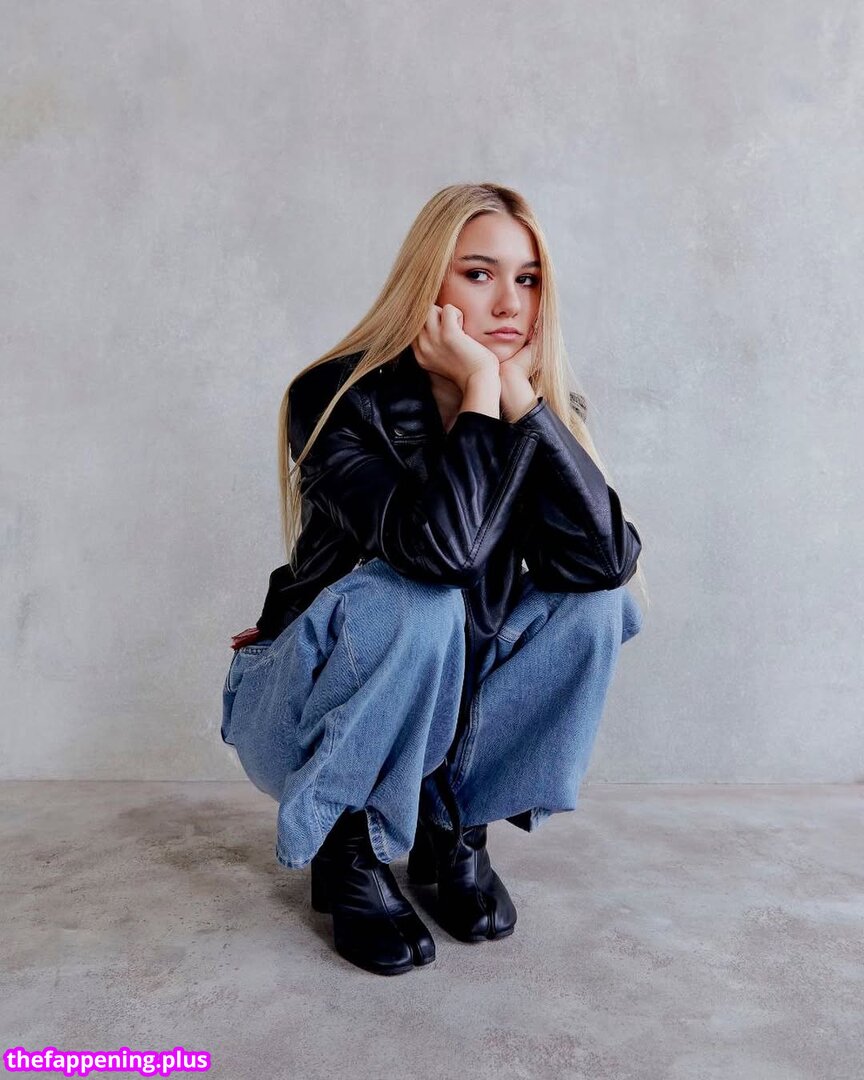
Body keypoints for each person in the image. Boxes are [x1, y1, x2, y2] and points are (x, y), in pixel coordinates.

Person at [221, 182, 647, 977]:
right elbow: (437, 559)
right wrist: (481, 395)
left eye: (528, 279)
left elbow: (602, 565)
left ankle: (453, 827)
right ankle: (348, 847)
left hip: (443, 718)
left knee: (597, 608)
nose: (509, 302)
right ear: (429, 281)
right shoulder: (337, 398)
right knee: (417, 602)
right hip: (299, 709)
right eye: (479, 273)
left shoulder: (539, 405)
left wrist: (527, 409)